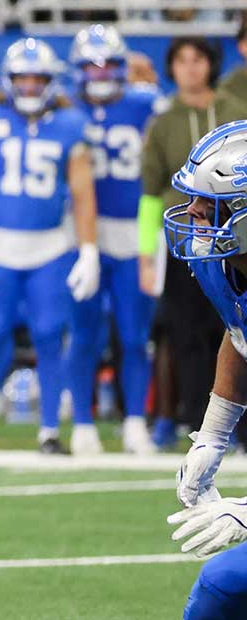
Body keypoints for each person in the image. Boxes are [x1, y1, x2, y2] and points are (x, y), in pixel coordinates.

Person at [0, 38, 100, 456]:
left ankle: (50, 431)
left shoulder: (70, 125)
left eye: (39, 78)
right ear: (9, 79)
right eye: (24, 78)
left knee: (49, 335)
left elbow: (83, 194)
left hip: (50, 248)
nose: (32, 86)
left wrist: (88, 249)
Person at [157, 119, 247, 618]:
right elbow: (240, 335)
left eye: (206, 204)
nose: (190, 213)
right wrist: (213, 435)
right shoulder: (227, 264)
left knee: (224, 581)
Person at [64, 26, 165, 456]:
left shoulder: (146, 104)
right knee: (84, 332)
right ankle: (83, 423)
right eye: (91, 66)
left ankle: (135, 422)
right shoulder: (65, 109)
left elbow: (172, 120)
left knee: (134, 334)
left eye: (108, 66)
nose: (100, 75)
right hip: (82, 232)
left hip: (133, 231)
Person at [141, 37, 247, 444]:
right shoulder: (164, 121)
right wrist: (145, 254)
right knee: (189, 332)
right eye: (181, 60)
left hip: (236, 241)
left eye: (197, 59)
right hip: (207, 247)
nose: (189, 68)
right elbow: (151, 191)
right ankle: (193, 420)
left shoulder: (235, 111)